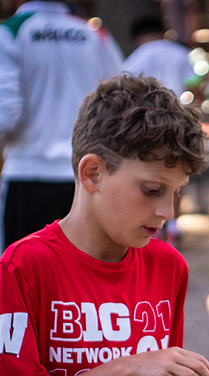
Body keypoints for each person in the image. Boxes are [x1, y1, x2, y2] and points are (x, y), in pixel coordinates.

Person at [0, 75, 209, 376]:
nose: (166, 211)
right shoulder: (22, 268)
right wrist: (124, 368)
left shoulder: (168, 267)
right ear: (93, 173)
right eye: (152, 190)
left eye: (176, 193)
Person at [0, 0, 123, 251]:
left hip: (27, 173)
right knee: (81, 283)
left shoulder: (9, 32)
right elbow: (121, 102)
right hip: (87, 180)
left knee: (23, 282)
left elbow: (6, 112)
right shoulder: (94, 34)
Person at [124, 14, 202, 246]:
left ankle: (149, 226)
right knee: (176, 177)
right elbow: (196, 87)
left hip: (143, 126)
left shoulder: (135, 57)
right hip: (177, 122)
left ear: (139, 37)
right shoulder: (179, 53)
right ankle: (175, 226)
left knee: (147, 178)